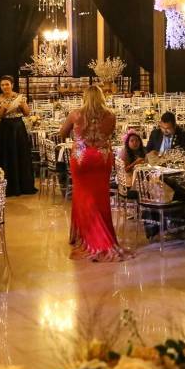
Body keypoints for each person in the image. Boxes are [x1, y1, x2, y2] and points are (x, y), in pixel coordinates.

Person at [59, 84, 128, 261]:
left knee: (82, 196)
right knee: (100, 197)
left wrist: (77, 137)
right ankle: (99, 233)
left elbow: (62, 133)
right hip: (102, 158)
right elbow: (110, 134)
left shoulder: (75, 114)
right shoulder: (111, 115)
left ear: (85, 97)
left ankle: (87, 236)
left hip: (81, 157)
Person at [0, 75, 36, 196]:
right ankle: (8, 187)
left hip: (18, 128)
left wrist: (22, 105)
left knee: (20, 154)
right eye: (2, 85)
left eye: (7, 84)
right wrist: (3, 109)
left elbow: (27, 113)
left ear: (12, 85)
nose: (5, 87)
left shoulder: (19, 97)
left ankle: (22, 185)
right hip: (4, 128)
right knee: (5, 155)